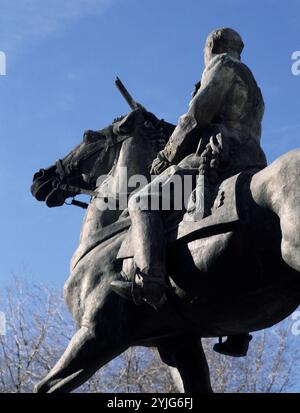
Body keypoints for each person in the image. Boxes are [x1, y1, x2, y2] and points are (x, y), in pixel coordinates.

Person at [111, 28, 267, 357]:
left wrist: (167, 155)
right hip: (251, 159)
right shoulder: (255, 88)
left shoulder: (222, 67)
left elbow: (198, 114)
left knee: (142, 201)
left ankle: (150, 279)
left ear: (211, 47)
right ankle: (241, 328)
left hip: (219, 155)